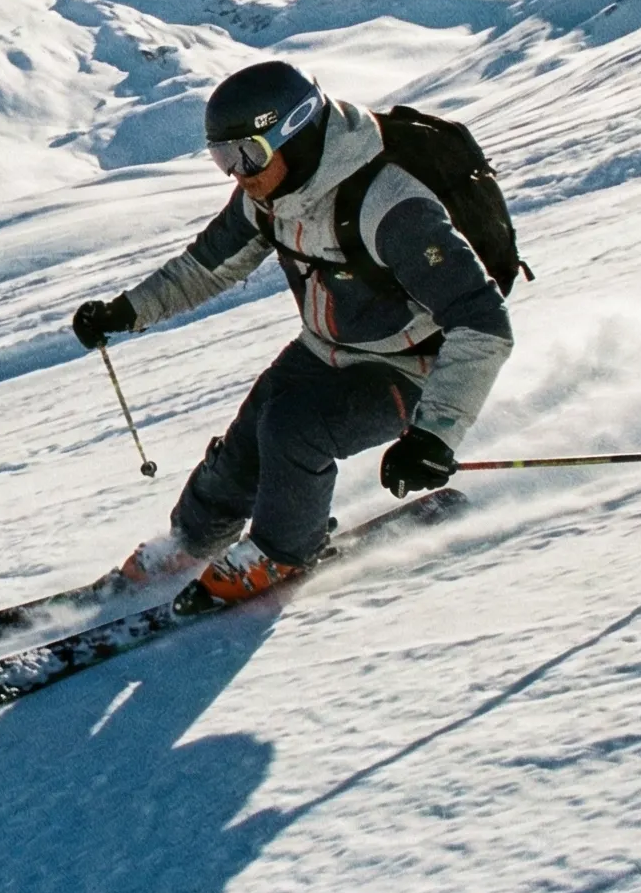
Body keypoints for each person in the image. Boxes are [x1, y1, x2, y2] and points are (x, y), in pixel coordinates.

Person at [69, 59, 513, 605]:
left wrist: (434, 435)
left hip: (412, 363)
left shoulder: (388, 203)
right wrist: (124, 312)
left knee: (294, 428)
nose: (238, 173)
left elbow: (482, 320)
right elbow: (207, 266)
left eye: (247, 154)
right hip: (324, 348)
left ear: (296, 130)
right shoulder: (270, 196)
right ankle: (188, 544)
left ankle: (282, 552)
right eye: (222, 158)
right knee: (246, 443)